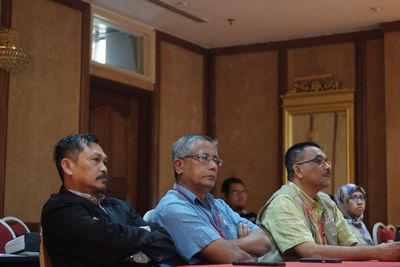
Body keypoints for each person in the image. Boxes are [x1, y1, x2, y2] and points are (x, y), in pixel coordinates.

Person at [41, 134, 181, 267]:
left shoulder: (119, 205)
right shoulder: (59, 208)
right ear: (68, 166)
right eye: (95, 160)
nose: (104, 168)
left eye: (105, 162)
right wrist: (146, 233)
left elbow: (166, 243)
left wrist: (126, 248)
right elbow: (105, 243)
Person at [257, 141, 400, 262]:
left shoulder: (326, 201)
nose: (327, 166)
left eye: (327, 161)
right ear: (298, 170)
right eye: (319, 161)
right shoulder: (283, 202)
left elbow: (351, 245)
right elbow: (309, 252)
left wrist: (384, 250)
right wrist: (376, 252)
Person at [148, 134, 271, 264]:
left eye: (216, 160)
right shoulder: (173, 208)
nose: (213, 166)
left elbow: (264, 242)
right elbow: (230, 257)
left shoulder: (219, 205)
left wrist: (225, 246)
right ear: (179, 165)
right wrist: (246, 250)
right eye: (203, 157)